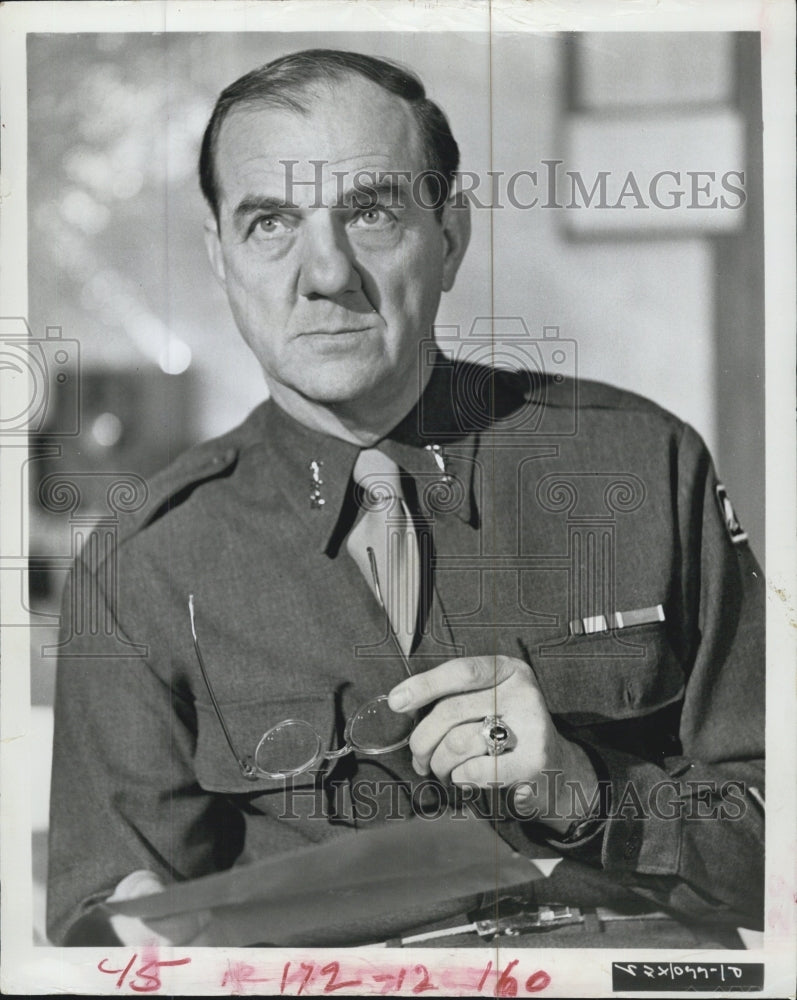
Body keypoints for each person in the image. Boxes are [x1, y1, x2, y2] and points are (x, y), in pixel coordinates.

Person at [47, 48, 764, 948]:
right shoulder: (144, 564)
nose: (325, 273)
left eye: (372, 212)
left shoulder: (643, 465)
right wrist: (129, 936)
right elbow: (105, 918)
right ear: (220, 258)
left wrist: (584, 787)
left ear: (451, 236)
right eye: (270, 223)